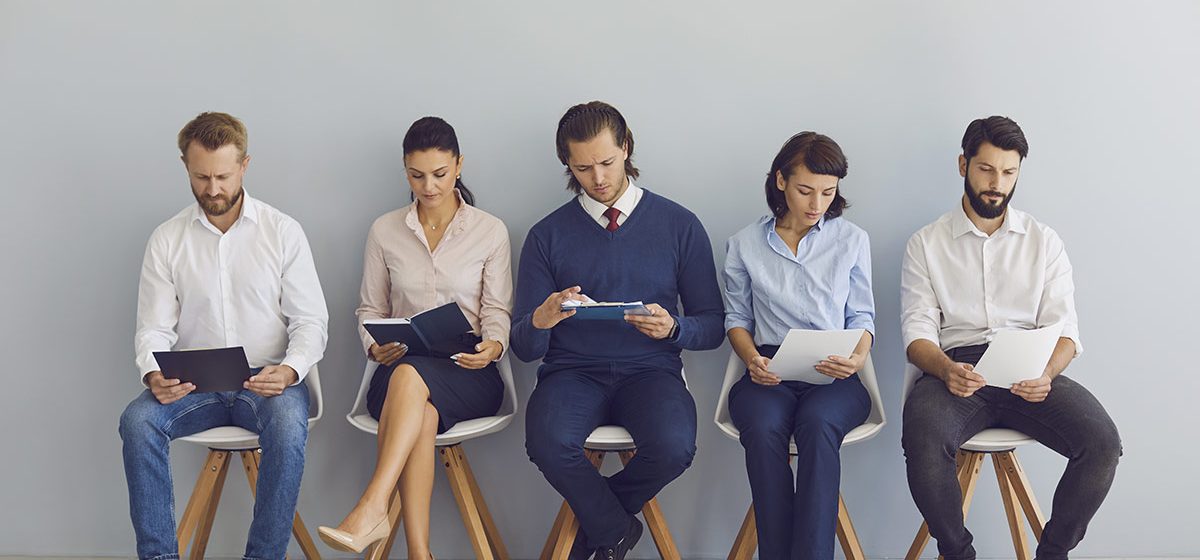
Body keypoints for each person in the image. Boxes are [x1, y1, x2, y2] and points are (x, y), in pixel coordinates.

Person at [900, 116, 1121, 560]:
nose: (996, 183)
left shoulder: (1044, 241)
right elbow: (917, 335)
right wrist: (945, 368)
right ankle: (957, 553)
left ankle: (1053, 553)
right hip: (955, 371)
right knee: (921, 437)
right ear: (963, 164)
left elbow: (1066, 331)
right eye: (986, 170)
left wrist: (1047, 372)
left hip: (1030, 371)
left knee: (1102, 443)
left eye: (1008, 172)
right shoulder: (926, 243)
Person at [512, 101, 725, 560]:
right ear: (567, 164)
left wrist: (673, 329)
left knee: (674, 446)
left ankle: (600, 528)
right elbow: (523, 346)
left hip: (651, 372)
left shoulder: (679, 225)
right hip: (571, 373)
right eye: (583, 168)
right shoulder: (546, 235)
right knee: (546, 443)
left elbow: (712, 326)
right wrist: (541, 319)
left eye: (607, 162)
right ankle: (614, 529)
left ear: (626, 148)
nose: (599, 178)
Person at [119, 111, 329, 560]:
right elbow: (154, 327)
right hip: (196, 383)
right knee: (137, 422)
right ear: (185, 167)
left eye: (223, 176)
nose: (213, 189)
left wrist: (290, 370)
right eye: (201, 177)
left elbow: (310, 321)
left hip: (268, 379)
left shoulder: (282, 232)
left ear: (245, 166)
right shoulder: (167, 239)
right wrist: (153, 373)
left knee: (289, 425)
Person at [317, 117, 512, 558]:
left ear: (459, 166)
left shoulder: (489, 230)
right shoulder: (384, 231)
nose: (429, 186)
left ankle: (372, 507)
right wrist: (373, 344)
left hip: (468, 372)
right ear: (405, 170)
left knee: (413, 384)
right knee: (416, 401)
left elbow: (497, 311)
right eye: (417, 175)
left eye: (440, 174)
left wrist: (493, 346)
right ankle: (418, 552)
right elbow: (370, 309)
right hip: (399, 365)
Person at [723, 131, 874, 560]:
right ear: (780, 181)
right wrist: (752, 359)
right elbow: (737, 320)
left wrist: (858, 357)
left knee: (818, 424)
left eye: (828, 192)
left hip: (835, 372)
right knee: (763, 424)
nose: (816, 204)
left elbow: (862, 317)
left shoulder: (852, 240)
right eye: (806, 190)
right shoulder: (744, 244)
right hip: (770, 367)